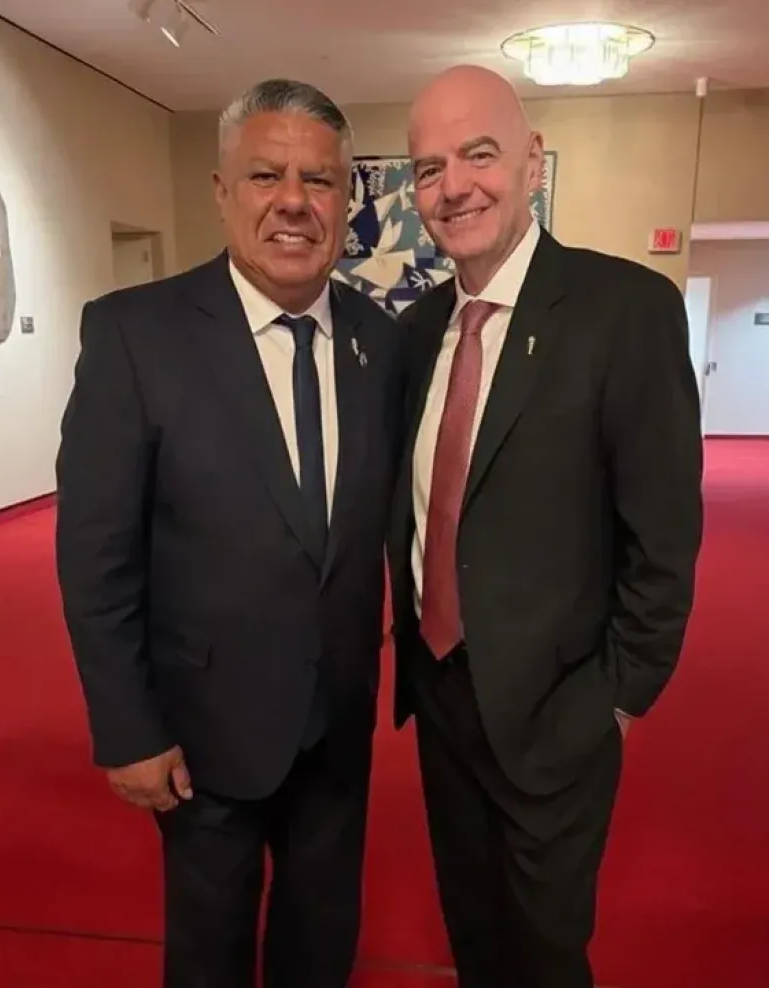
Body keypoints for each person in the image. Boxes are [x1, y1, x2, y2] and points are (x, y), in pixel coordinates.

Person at [55, 78, 403, 988]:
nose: (293, 201)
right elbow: (96, 556)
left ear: (347, 199)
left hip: (338, 724)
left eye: (318, 180)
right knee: (208, 954)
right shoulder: (134, 335)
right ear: (221, 190)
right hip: (202, 731)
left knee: (321, 941)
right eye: (265, 176)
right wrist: (126, 728)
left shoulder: (379, 343)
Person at [388, 64, 703, 988]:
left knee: (545, 950)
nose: (454, 186)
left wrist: (617, 699)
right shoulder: (415, 333)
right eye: (430, 168)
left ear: (532, 161)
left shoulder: (626, 311)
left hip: (559, 707)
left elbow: (663, 535)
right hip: (441, 696)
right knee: (472, 928)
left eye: (479, 154)